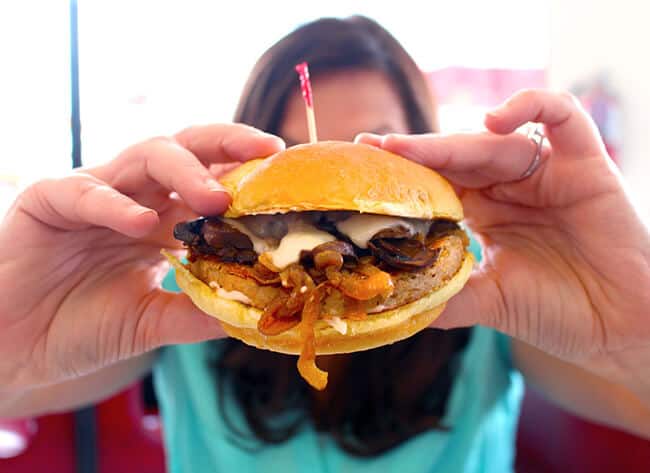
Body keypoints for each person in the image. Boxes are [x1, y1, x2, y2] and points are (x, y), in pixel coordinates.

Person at [0, 15, 649, 473]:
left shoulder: (491, 293)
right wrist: (13, 340)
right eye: (298, 154)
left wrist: (636, 327)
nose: (337, 204)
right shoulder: (180, 300)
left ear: (424, 151)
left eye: (371, 149)